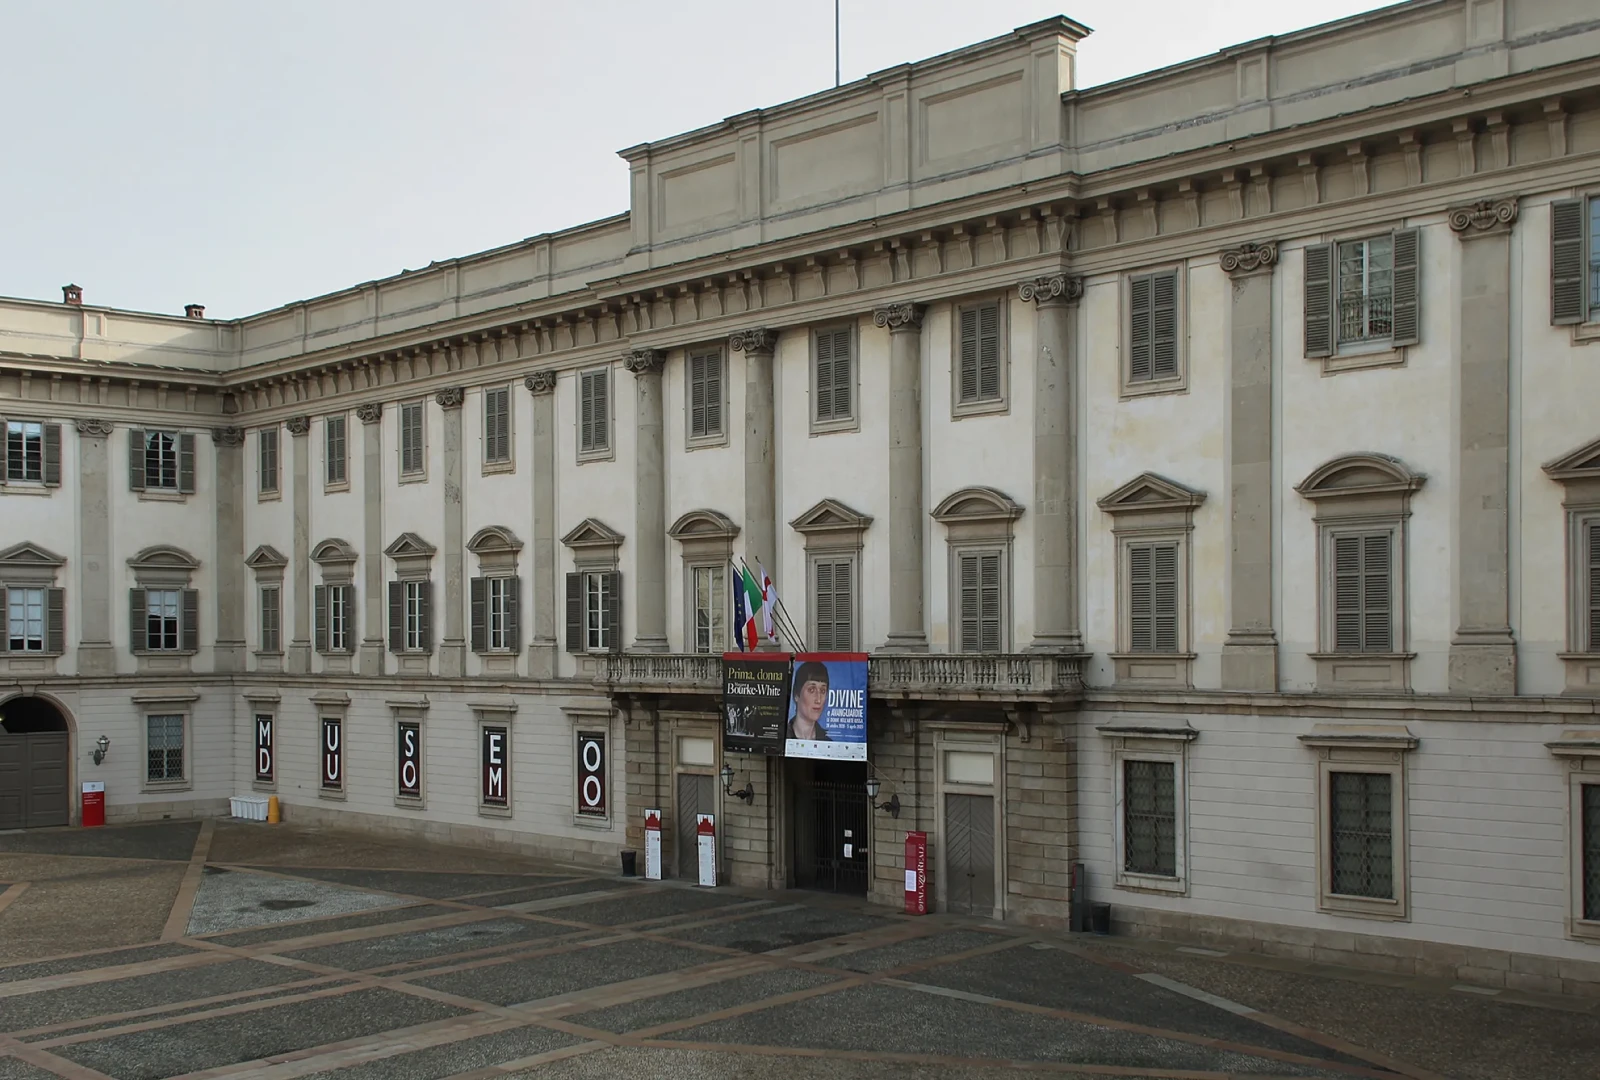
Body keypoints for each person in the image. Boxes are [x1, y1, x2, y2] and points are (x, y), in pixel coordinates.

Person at [788, 660, 831, 741]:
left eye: (823, 691)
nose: (818, 700)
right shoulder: (782, 740)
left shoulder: (828, 743)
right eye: (811, 690)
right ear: (796, 694)